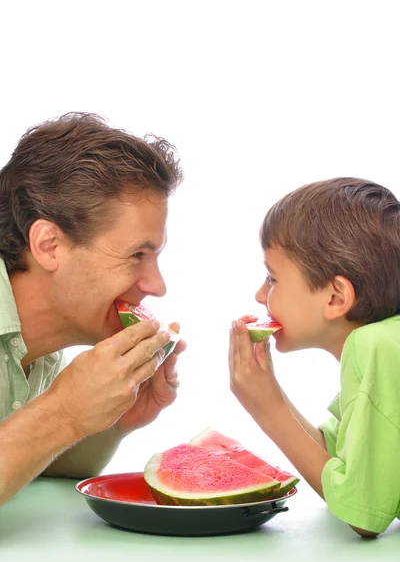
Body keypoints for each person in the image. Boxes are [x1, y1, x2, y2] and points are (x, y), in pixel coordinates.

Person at [0, 112, 186, 505]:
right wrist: (63, 411)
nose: (157, 285)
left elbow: (36, 463)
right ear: (49, 244)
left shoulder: (44, 351)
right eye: (137, 254)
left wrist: (112, 422)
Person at [229, 177, 400, 538]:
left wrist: (267, 408)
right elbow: (341, 459)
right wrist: (267, 389)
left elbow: (363, 514)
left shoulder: (375, 346)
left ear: (336, 297)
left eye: (272, 278)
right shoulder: (386, 342)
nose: (261, 295)